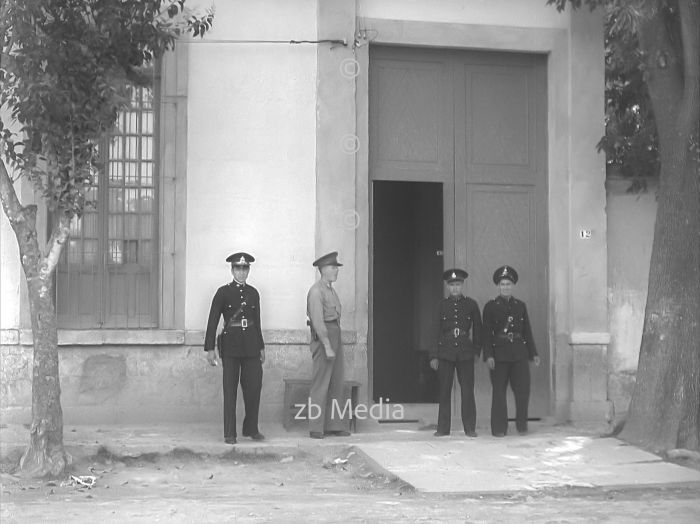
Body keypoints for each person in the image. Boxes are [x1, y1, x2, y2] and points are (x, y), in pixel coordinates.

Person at [204, 252, 265, 444]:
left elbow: (257, 322)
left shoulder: (253, 293)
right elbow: (213, 320)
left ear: (248, 270)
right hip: (230, 347)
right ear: (232, 270)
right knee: (230, 390)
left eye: (245, 268)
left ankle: (251, 428)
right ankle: (230, 433)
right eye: (238, 268)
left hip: (251, 346)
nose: (241, 272)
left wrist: (261, 346)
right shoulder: (223, 292)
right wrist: (209, 348)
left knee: (254, 388)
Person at [482, 265, 540, 436]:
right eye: (502, 284)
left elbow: (526, 331)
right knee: (499, 393)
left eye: (508, 284)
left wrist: (533, 353)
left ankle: (522, 426)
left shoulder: (520, 306)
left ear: (512, 285)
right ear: (498, 286)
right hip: (499, 355)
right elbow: (486, 333)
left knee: (523, 391)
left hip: (519, 354)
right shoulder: (490, 307)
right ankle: (499, 428)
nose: (505, 287)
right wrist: (488, 355)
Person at [429, 269, 482, 437]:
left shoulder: (471, 305)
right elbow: (434, 331)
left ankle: (470, 428)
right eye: (452, 285)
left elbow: (478, 330)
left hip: (466, 352)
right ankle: (443, 428)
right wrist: (434, 355)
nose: (455, 288)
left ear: (462, 285)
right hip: (445, 352)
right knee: (444, 391)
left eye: (458, 285)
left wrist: (476, 351)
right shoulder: (441, 305)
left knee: (467, 391)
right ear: (447, 286)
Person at [306, 251, 350, 439]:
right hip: (324, 337)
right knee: (321, 384)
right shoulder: (316, 291)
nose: (336, 271)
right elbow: (317, 321)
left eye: (336, 267)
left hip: (335, 334)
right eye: (333, 267)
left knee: (336, 382)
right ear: (323, 270)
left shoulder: (331, 290)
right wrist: (327, 345)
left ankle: (334, 425)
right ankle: (316, 427)